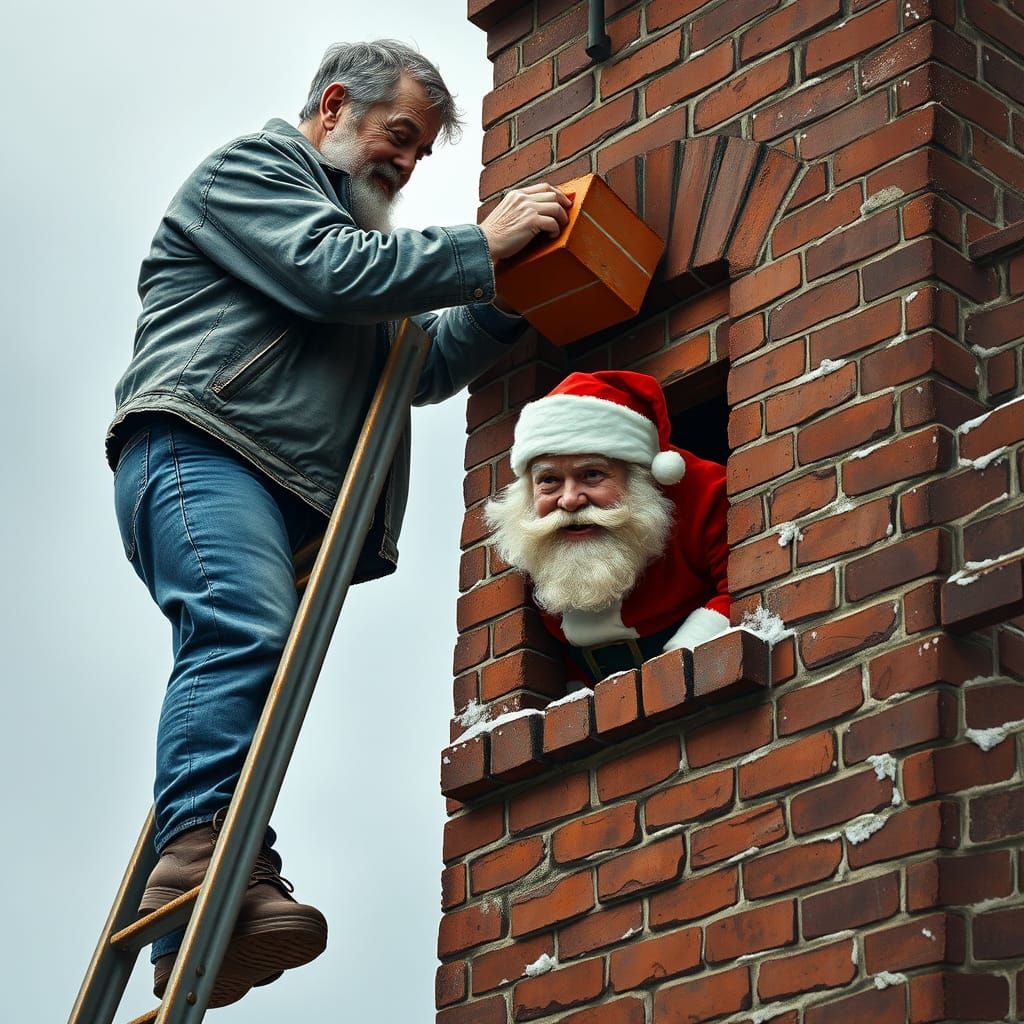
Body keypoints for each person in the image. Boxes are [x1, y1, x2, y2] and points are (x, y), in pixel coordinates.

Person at [105, 39, 571, 1005]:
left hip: (279, 492)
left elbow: (420, 366)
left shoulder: (368, 258)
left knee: (258, 680)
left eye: (419, 154)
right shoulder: (257, 174)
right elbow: (330, 273)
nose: (404, 164)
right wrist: (480, 247)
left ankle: (212, 911)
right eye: (398, 135)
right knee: (244, 633)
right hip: (203, 448)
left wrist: (514, 294)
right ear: (332, 108)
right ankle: (203, 867)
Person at [485, 370, 731, 684]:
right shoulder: (535, 544)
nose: (570, 500)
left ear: (637, 476)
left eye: (591, 475)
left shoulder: (703, 495)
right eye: (549, 481)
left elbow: (747, 589)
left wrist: (682, 659)